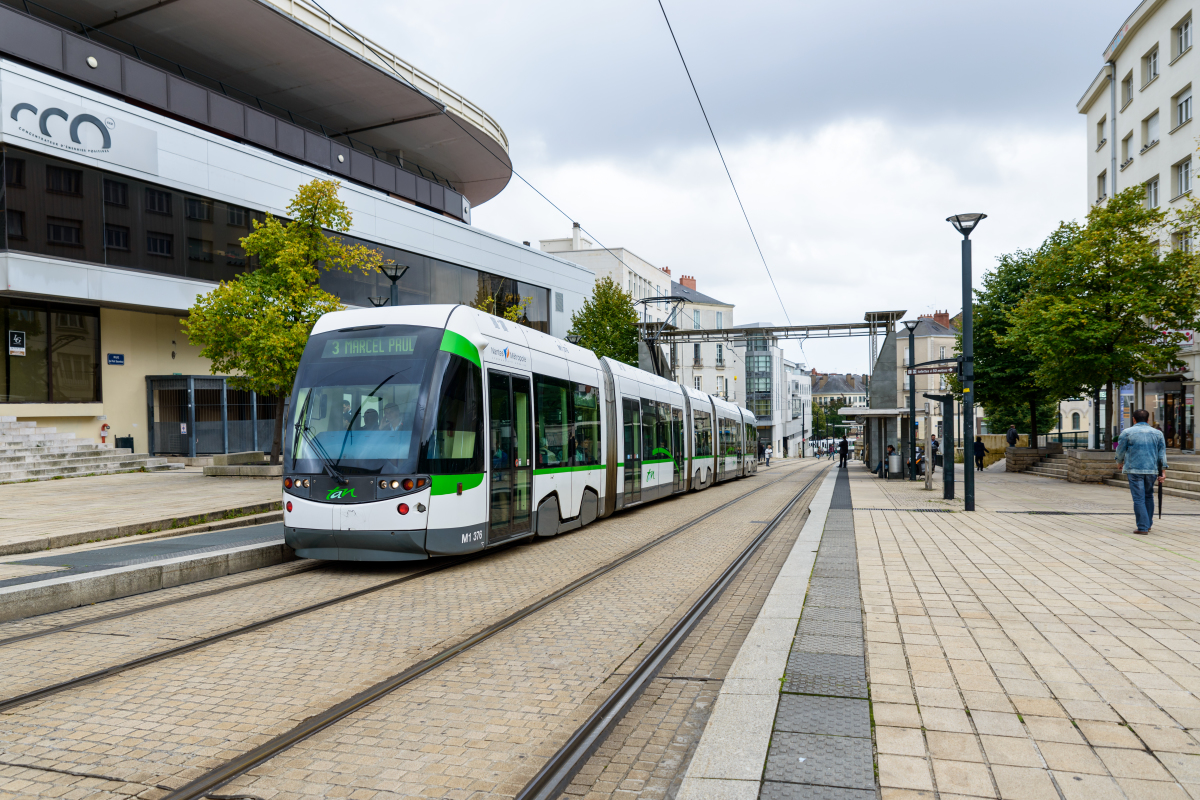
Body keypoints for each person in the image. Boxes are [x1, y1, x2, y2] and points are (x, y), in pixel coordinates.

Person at [1115, 408, 1167, 535]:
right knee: (1149, 496)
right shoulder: (1158, 433)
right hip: (1152, 469)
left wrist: (1119, 462)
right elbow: (1162, 454)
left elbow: (1120, 450)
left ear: (1134, 419)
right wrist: (1163, 472)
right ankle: (1147, 524)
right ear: (1148, 419)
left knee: (1139, 498)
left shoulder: (1127, 432)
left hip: (1134, 469)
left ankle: (1143, 527)